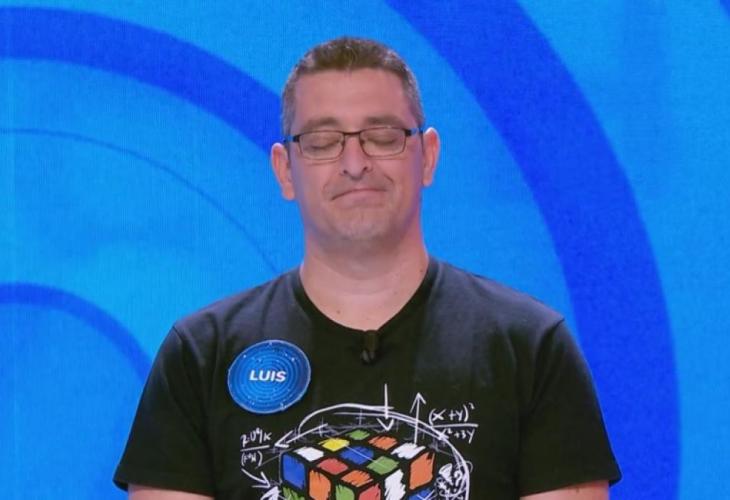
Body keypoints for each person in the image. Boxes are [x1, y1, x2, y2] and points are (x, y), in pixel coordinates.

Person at [114, 37, 620, 499]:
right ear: (285, 171)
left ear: (427, 156)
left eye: (382, 136)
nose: (355, 163)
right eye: (322, 141)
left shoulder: (531, 348)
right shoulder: (199, 357)